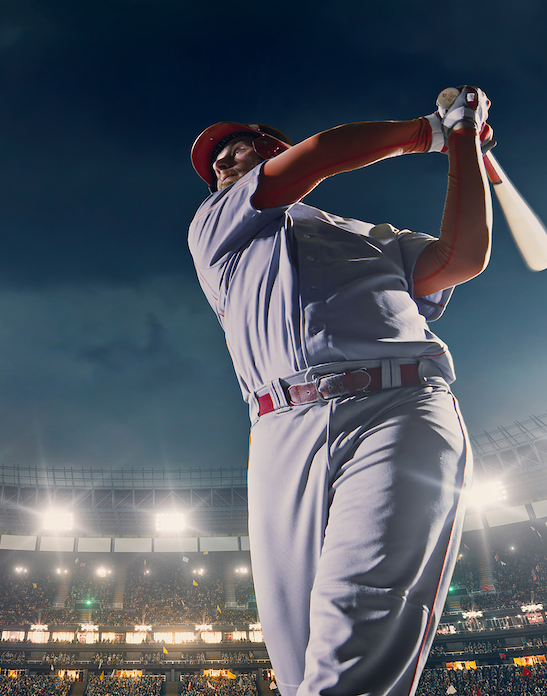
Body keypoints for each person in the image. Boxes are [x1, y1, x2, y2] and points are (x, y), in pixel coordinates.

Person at [187, 87, 493, 696]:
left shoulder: (377, 235)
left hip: (398, 405)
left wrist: (462, 145)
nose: (221, 165)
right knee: (298, 667)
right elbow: (322, 154)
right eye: (215, 163)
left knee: (355, 628)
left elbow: (463, 256)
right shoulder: (216, 225)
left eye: (236, 150)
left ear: (273, 148)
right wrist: (431, 130)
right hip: (278, 430)